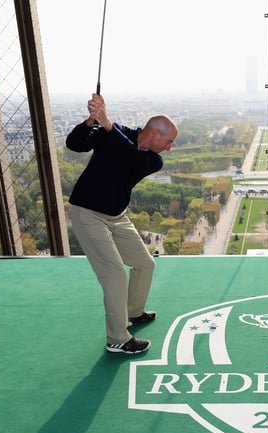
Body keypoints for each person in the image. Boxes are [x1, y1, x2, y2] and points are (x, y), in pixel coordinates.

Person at [66, 93, 178, 355]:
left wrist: (107, 124)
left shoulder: (153, 159)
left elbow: (130, 156)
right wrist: (91, 121)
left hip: (117, 216)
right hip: (88, 214)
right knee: (115, 275)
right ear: (154, 134)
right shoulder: (114, 132)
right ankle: (117, 338)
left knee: (145, 264)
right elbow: (75, 144)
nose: (170, 148)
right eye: (169, 141)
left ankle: (133, 312)